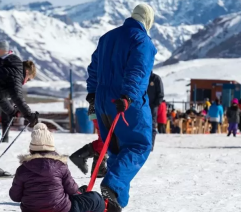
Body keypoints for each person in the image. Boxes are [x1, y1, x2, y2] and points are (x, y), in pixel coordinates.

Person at [85, 3, 156, 212]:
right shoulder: (142, 41)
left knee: (117, 149)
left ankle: (114, 203)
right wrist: (128, 96)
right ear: (148, 20)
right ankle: (113, 188)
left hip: (102, 102)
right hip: (126, 103)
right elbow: (138, 70)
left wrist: (92, 94)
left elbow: (94, 67)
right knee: (139, 145)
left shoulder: (107, 37)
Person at [9, 123, 105, 212]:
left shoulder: (23, 169)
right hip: (60, 209)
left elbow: (15, 196)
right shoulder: (60, 166)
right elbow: (72, 190)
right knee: (96, 198)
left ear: (31, 149)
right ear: (52, 147)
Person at [69, 104, 107, 178]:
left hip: (100, 109)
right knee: (106, 139)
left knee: (105, 138)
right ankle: (98, 167)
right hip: (101, 109)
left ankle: (81, 155)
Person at [147, 72, 164, 149]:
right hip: (142, 106)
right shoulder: (142, 76)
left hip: (152, 107)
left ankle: (151, 145)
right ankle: (143, 144)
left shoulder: (156, 79)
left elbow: (160, 94)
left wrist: (154, 104)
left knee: (152, 125)